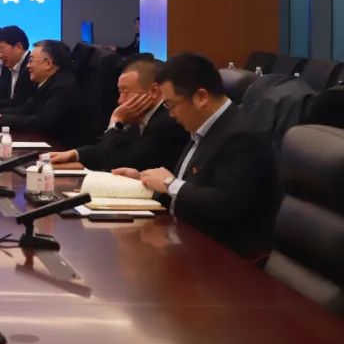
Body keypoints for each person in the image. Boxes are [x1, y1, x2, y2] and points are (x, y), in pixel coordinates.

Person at [112, 52, 278, 260]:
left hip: (223, 258)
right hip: (184, 239)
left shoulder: (242, 137)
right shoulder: (203, 127)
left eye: (171, 105)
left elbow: (227, 206)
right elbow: (191, 187)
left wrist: (170, 184)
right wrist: (144, 180)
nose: (171, 114)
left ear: (201, 97)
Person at [51, 58, 188, 171]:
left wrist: (116, 121)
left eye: (126, 92)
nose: (120, 100)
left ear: (154, 92)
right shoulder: (140, 116)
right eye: (120, 92)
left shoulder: (166, 123)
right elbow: (110, 149)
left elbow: (118, 161)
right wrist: (75, 154)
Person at [0, 39, 93, 150]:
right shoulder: (48, 82)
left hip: (62, 149)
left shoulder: (63, 87)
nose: (28, 66)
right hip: (47, 143)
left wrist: (2, 119)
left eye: (31, 60)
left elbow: (42, 122)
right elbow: (27, 108)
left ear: (48, 63)